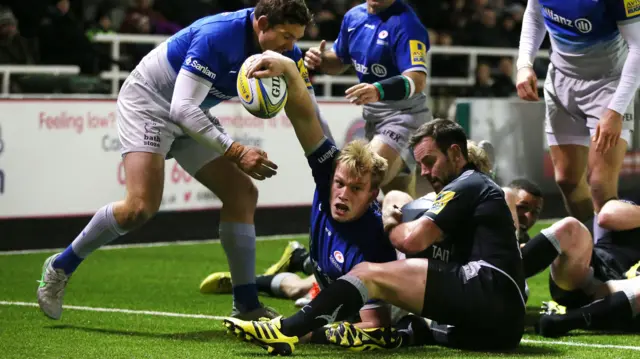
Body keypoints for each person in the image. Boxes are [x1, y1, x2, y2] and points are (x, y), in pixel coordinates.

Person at [36, 0, 332, 322]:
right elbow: (180, 109)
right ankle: (60, 266)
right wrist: (235, 151)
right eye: (286, 36)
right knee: (139, 208)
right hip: (149, 104)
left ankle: (247, 305)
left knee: (242, 194)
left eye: (296, 38)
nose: (291, 47)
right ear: (261, 24)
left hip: (191, 109)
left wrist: (334, 159)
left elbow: (308, 110)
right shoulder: (217, 35)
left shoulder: (287, 54)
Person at [223, 118, 528, 356]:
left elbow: (411, 242)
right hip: (491, 328)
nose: (422, 172)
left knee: (368, 274)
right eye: (419, 164)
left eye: (429, 161)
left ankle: (286, 328)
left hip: (490, 290)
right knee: (412, 326)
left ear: (456, 153)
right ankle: (321, 327)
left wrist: (388, 218)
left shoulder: (468, 182)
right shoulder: (468, 192)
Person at [210, 49, 400, 338]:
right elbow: (304, 118)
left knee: (297, 289)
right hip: (327, 277)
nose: (342, 194)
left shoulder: (374, 247)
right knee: (299, 288)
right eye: (340, 183)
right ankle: (270, 273)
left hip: (353, 303)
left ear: (374, 193)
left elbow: (375, 326)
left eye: (356, 189)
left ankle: (272, 274)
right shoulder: (328, 175)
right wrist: (288, 67)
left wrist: (309, 334)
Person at [516, 0, 640, 228]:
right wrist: (524, 64)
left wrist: (615, 110)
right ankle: (590, 253)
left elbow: (638, 47)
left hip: (609, 85)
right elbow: (534, 15)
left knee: (600, 188)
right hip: (561, 81)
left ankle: (612, 257)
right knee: (567, 180)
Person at [304, 0, 432, 197]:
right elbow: (338, 61)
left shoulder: (407, 24)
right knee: (399, 202)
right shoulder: (354, 17)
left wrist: (379, 90)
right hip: (373, 118)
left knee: (359, 176)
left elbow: (417, 79)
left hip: (404, 117)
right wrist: (321, 60)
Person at [519, 198, 640, 337]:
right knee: (571, 226)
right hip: (588, 271)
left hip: (625, 296)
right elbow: (606, 216)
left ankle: (565, 320)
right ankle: (503, 279)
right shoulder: (633, 210)